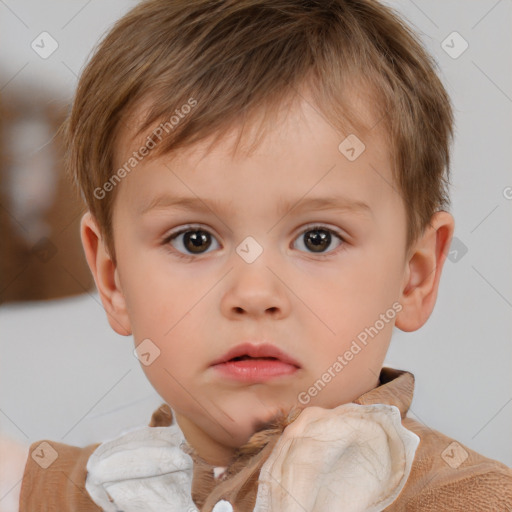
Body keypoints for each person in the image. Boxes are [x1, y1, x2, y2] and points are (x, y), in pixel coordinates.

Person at [13, 0, 512, 510]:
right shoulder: (73, 491)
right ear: (112, 279)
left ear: (414, 277)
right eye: (195, 240)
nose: (254, 294)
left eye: (318, 239)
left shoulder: (473, 500)